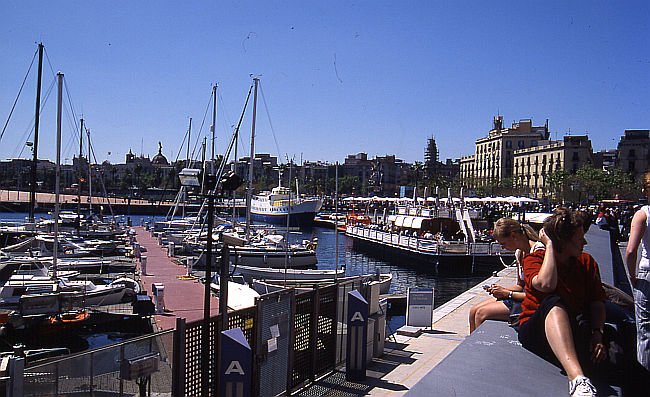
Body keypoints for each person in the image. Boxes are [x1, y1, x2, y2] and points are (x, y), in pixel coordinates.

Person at [516, 208, 607, 397]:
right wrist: (548, 246)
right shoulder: (533, 260)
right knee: (554, 303)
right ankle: (576, 379)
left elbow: (596, 301)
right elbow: (547, 284)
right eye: (579, 238)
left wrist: (597, 333)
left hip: (571, 327)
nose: (585, 242)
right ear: (563, 242)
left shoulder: (587, 262)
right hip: (536, 328)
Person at [469, 218, 543, 333]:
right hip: (520, 296)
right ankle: (470, 346)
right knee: (473, 310)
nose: (503, 248)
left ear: (513, 236)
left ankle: (479, 348)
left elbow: (538, 295)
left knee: (481, 313)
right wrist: (500, 290)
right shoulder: (519, 253)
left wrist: (507, 294)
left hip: (533, 302)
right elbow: (520, 285)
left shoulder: (538, 251)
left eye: (503, 243)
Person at [625, 171, 650, 372]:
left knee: (645, 331)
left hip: (646, 276)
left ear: (645, 191)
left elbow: (631, 250)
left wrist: (632, 276)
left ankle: (644, 380)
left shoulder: (643, 214)